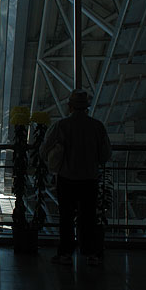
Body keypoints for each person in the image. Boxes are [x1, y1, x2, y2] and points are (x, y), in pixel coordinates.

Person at [40, 89, 111, 266]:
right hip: (90, 178)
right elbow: (105, 154)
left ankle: (65, 253)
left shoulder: (61, 126)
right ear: (86, 107)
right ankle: (90, 252)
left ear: (70, 106)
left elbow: (44, 149)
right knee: (88, 217)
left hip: (67, 178)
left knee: (66, 217)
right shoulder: (97, 126)